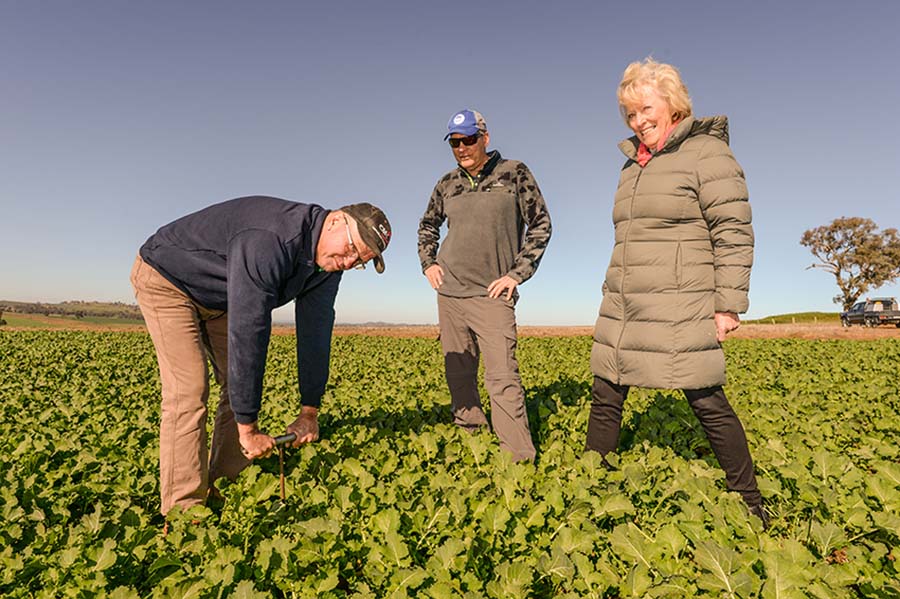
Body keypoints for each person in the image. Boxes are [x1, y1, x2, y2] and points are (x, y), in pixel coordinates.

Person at [587, 59, 767, 525]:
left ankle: (750, 504)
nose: (638, 121)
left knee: (705, 396)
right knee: (606, 391)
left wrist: (728, 303)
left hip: (680, 302)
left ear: (673, 104)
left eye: (646, 108)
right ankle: (590, 492)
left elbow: (733, 229)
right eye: (629, 113)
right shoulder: (632, 167)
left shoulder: (708, 154)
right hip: (626, 303)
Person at [130, 196, 391, 516]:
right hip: (169, 280)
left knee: (235, 382)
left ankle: (226, 482)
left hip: (220, 297)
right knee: (189, 390)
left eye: (359, 261)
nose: (349, 262)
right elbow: (249, 327)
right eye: (352, 248)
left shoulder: (327, 266)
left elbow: (316, 331)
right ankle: (184, 511)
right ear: (336, 220)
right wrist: (248, 427)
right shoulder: (272, 238)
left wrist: (310, 411)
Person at [418, 109, 552, 462]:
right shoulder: (447, 183)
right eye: (455, 142)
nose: (462, 148)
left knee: (503, 377)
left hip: (492, 294)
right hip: (450, 293)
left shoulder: (514, 173)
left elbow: (541, 224)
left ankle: (519, 459)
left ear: (485, 138)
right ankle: (471, 439)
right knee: (459, 373)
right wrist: (429, 263)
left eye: (469, 140)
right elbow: (427, 226)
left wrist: (516, 274)